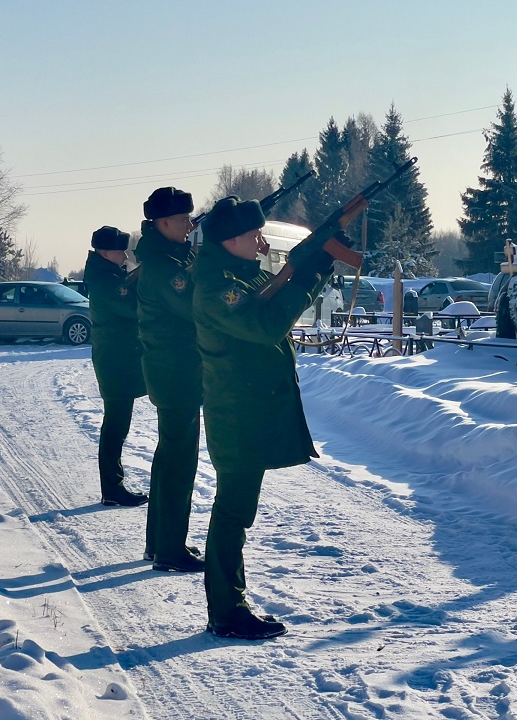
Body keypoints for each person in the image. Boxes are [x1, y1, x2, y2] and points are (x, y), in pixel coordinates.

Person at [193, 196, 334, 640]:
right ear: (230, 240)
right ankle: (227, 612)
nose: (261, 241)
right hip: (237, 414)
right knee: (232, 512)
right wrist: (308, 277)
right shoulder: (217, 287)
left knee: (237, 511)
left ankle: (230, 605)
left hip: (246, 408)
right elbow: (265, 324)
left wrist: (316, 262)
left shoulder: (239, 274)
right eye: (253, 234)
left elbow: (275, 296)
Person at [135, 187, 205, 573]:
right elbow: (190, 303)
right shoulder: (163, 265)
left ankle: (160, 541)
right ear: (162, 223)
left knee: (169, 458)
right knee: (179, 462)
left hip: (175, 370)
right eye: (182, 219)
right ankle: (170, 550)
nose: (189, 225)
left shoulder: (170, 256)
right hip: (175, 372)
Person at [84, 226, 148, 507]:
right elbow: (131, 306)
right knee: (115, 426)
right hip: (115, 362)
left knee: (117, 425)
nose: (124, 255)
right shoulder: (103, 280)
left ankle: (113, 486)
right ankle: (112, 488)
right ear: (104, 252)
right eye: (120, 250)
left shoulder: (107, 275)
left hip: (119, 360)